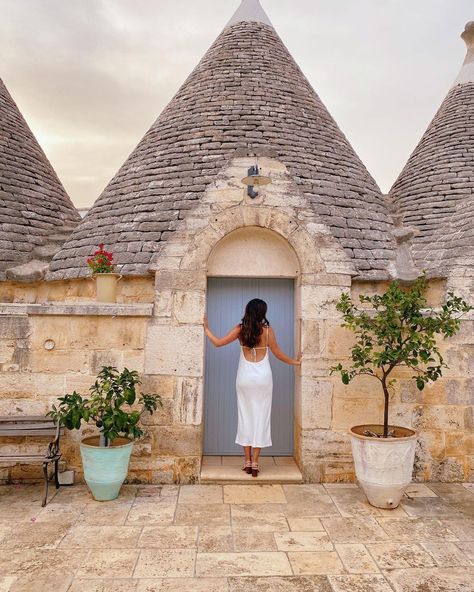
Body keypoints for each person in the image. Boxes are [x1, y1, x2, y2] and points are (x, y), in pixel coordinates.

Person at [204, 298, 301, 477]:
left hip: (244, 378)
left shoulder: (240, 329)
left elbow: (217, 343)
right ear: (262, 312)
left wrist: (206, 328)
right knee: (260, 418)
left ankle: (247, 461)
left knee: (245, 416)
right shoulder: (268, 331)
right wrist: (296, 361)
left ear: (248, 311)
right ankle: (255, 463)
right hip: (263, 379)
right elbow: (278, 354)